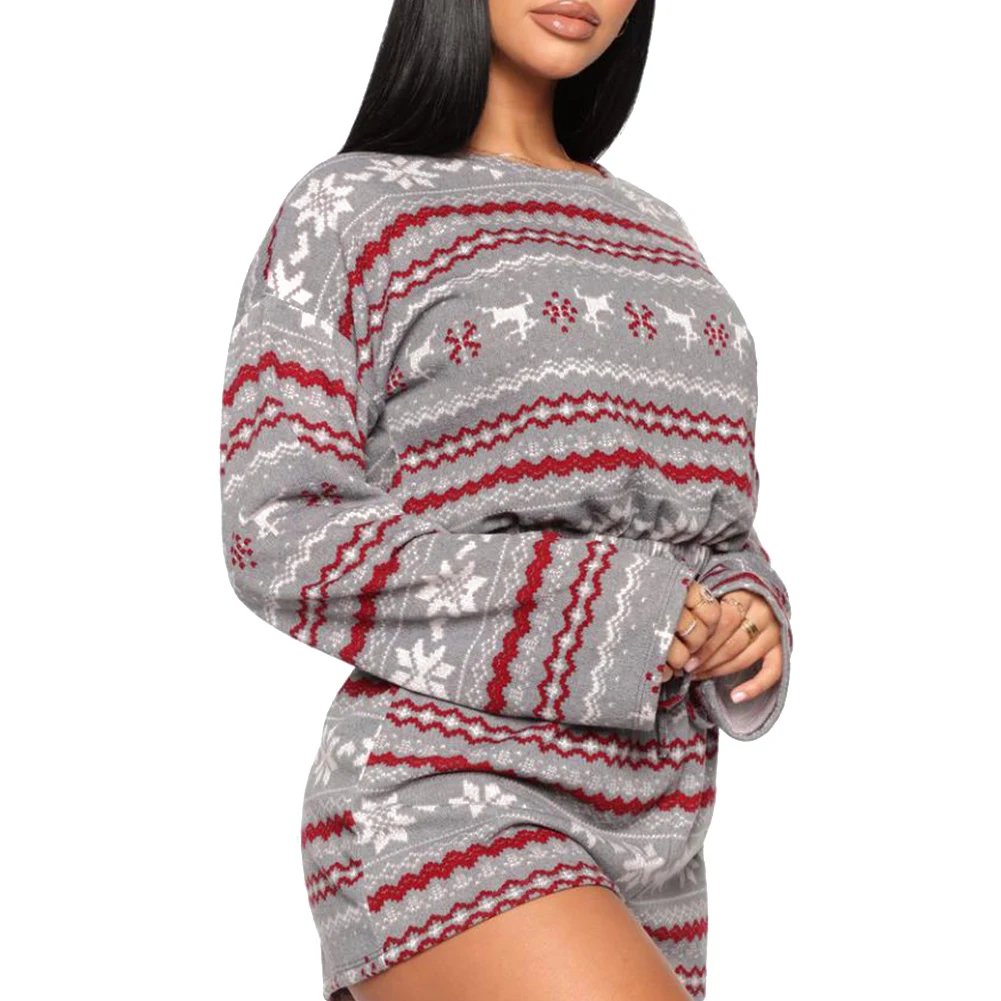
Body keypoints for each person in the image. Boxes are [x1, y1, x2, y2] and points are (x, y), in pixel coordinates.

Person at [218, 1, 793, 997]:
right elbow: (277, 529)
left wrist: (746, 613)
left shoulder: (659, 230)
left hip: (659, 830)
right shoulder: (352, 208)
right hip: (444, 796)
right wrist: (617, 608)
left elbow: (708, 520)